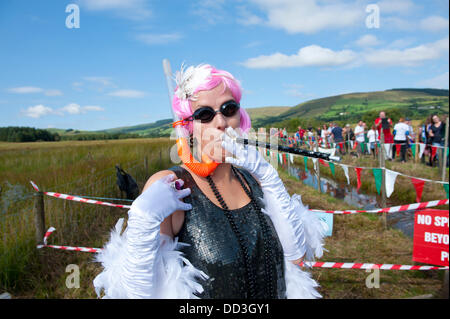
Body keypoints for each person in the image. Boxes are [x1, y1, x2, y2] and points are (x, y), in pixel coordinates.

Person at [93, 64, 327, 299]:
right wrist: (143, 219)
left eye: (228, 108)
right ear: (189, 127)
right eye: (204, 114)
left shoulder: (256, 178)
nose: (221, 122)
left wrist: (269, 178)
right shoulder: (173, 186)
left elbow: (296, 257)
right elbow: (140, 295)